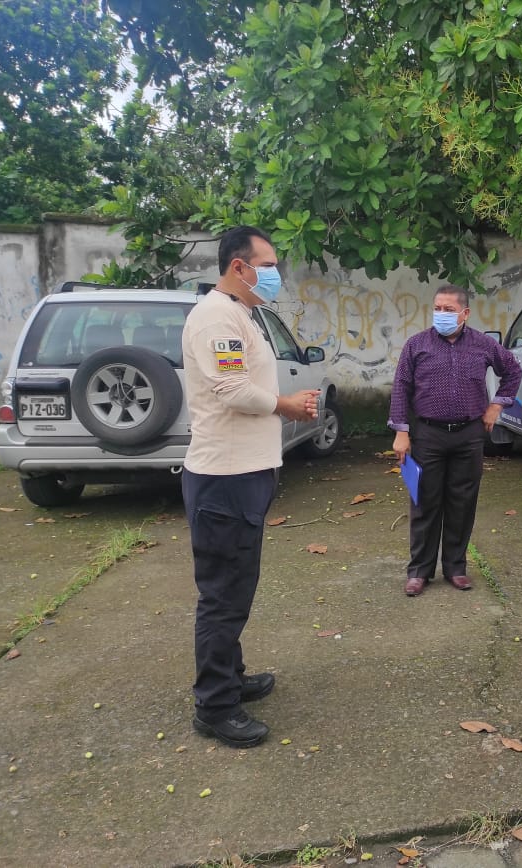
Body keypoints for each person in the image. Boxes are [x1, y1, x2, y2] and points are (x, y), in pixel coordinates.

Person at [182, 225, 321, 749]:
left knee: (236, 585)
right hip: (225, 478)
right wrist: (287, 406)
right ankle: (215, 706)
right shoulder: (216, 317)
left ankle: (231, 676)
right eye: (267, 265)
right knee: (223, 595)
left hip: (244, 473)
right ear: (238, 267)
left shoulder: (241, 313)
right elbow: (231, 387)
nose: (274, 274)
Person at [389, 284, 522, 597]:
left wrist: (497, 405)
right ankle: (419, 571)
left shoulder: (483, 344)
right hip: (427, 435)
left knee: (462, 502)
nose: (442, 314)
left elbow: (513, 370)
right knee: (424, 502)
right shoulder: (416, 345)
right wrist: (401, 432)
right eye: (437, 308)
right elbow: (401, 387)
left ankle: (455, 567)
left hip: (469, 434)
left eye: (449, 310)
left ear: (465, 313)